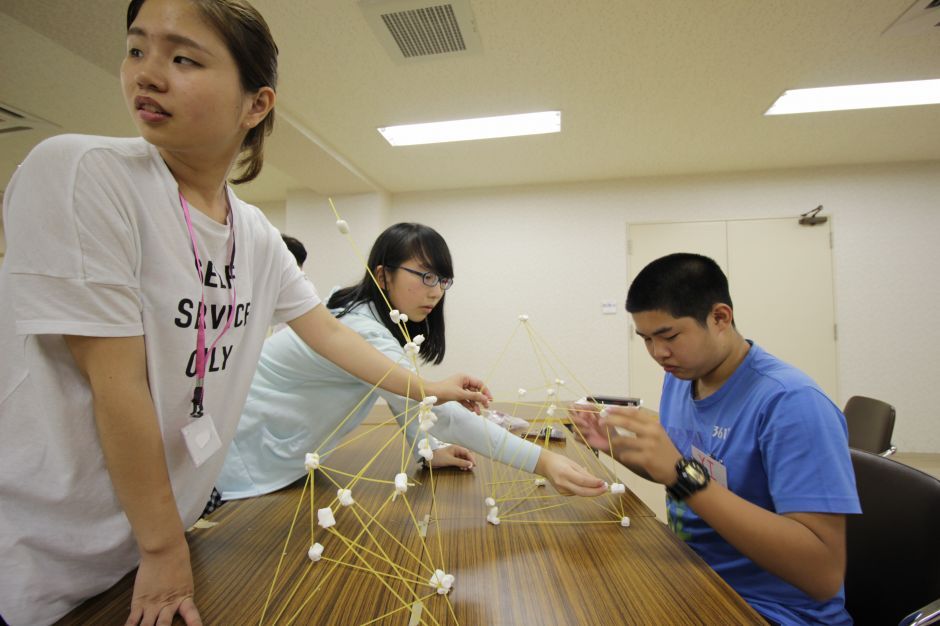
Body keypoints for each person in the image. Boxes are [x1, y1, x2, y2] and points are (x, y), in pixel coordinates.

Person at [0, 2, 488, 625]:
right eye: (136, 50)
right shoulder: (83, 172)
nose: (147, 74)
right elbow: (114, 382)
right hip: (46, 548)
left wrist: (431, 387)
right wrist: (161, 544)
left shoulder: (252, 232)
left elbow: (328, 333)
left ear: (256, 104)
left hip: (154, 537)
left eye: (182, 58)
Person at [216, 223, 608, 503]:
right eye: (423, 276)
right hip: (239, 458)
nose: (435, 291)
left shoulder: (359, 309)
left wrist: (426, 448)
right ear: (383, 275)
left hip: (254, 447)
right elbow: (436, 411)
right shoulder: (361, 327)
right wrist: (544, 462)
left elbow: (400, 394)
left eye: (442, 280)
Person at [570, 253, 860, 625]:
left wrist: (681, 475)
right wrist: (612, 443)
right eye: (646, 339)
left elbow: (822, 576)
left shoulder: (792, 404)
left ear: (720, 318)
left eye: (669, 336)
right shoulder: (680, 376)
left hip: (771, 611)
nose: (658, 353)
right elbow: (678, 466)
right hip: (695, 577)